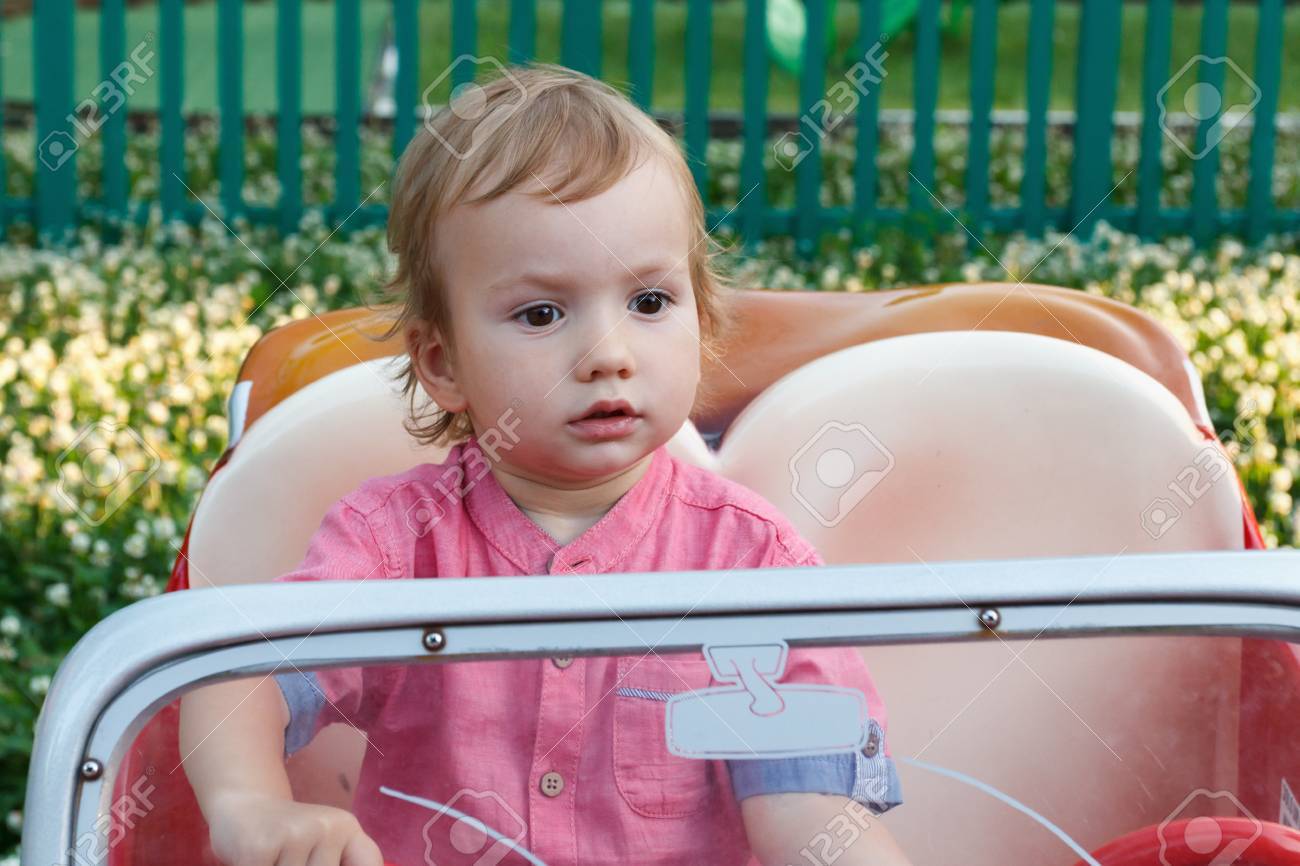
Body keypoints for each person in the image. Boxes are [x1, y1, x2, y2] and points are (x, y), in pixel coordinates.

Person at [179, 62, 909, 866]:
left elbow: (811, 813)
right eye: (541, 313)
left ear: (701, 317)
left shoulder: (751, 565)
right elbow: (238, 673)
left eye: (649, 302)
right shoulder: (395, 545)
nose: (608, 354)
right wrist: (249, 804)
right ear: (442, 361)